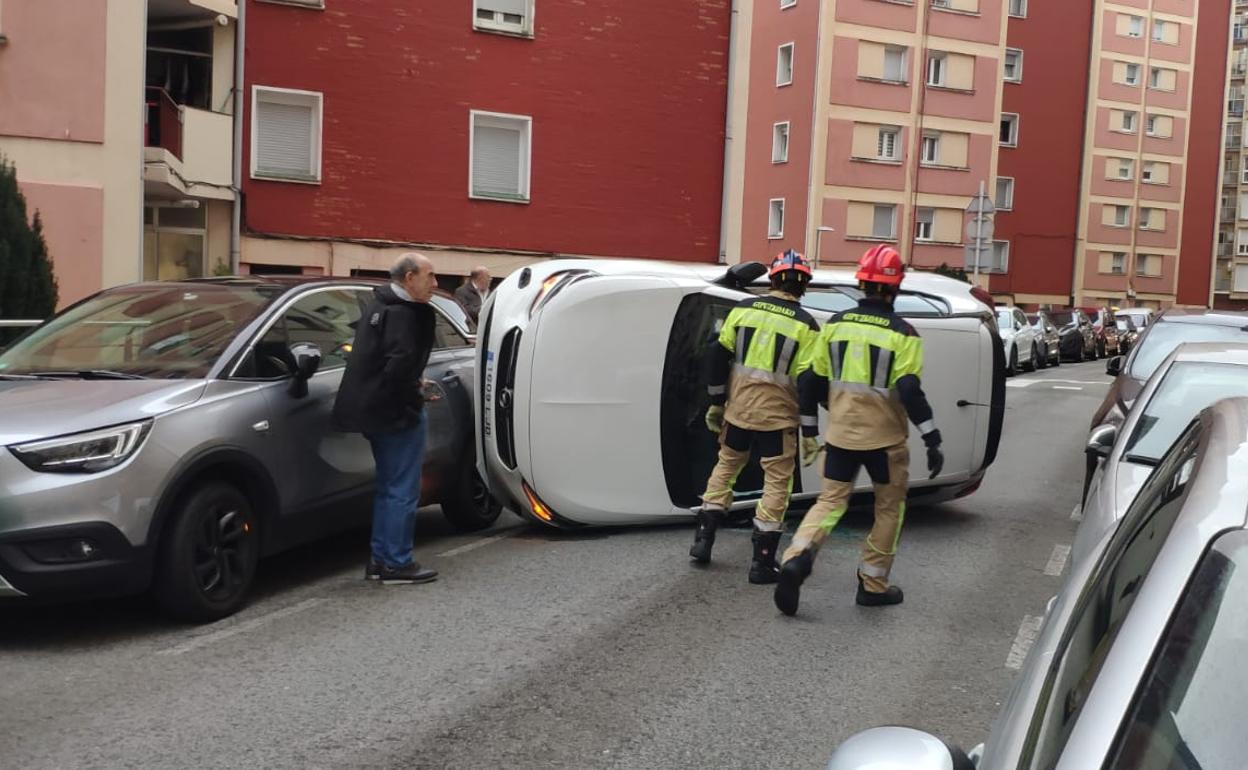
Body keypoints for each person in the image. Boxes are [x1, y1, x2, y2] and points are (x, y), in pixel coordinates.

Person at [773, 244, 944, 615]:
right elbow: (910, 390)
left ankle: (796, 557)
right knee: (888, 509)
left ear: (862, 285)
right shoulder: (905, 333)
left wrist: (810, 430)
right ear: (894, 287)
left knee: (830, 502)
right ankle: (873, 584)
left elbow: (810, 382)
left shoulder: (834, 326)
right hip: (885, 443)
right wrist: (932, 436)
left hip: (840, 437)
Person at [689, 249, 821, 583]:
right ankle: (762, 563)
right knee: (776, 482)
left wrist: (717, 401)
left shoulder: (743, 309)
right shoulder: (807, 325)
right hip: (777, 419)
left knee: (726, 466)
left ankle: (703, 540)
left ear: (773, 279)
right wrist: (810, 431)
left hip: (738, 411)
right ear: (803, 285)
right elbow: (808, 382)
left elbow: (718, 352)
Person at [332, 252, 441, 585]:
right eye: (430, 275)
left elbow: (381, 362)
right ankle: (396, 562)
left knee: (389, 487)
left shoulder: (380, 305)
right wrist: (415, 396)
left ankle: (380, 560)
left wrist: (412, 382)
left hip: (373, 411)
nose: (435, 283)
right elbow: (398, 367)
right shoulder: (405, 314)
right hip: (395, 414)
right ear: (409, 278)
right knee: (403, 489)